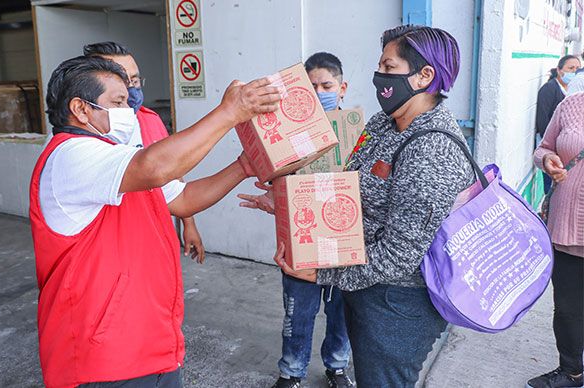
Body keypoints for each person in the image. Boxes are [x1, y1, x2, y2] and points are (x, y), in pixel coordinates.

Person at [240, 25, 473, 387]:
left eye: (389, 67)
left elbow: (399, 255)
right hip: (365, 289)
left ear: (424, 75)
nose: (380, 76)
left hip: (398, 306)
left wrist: (323, 275)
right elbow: (346, 188)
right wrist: (287, 203)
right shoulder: (384, 124)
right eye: (380, 66)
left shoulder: (431, 149)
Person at [30, 55, 280, 387]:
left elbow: (185, 198)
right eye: (117, 102)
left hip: (151, 343)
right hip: (103, 358)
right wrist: (231, 112)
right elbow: (157, 167)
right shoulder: (70, 156)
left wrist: (243, 167)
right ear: (81, 108)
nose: (129, 109)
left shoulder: (116, 159)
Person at [260, 52, 355, 388]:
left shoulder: (359, 132)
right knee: (298, 313)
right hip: (303, 242)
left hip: (345, 241)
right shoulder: (289, 135)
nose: (319, 91)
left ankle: (337, 366)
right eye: (311, 86)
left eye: (326, 85)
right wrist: (274, 196)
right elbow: (277, 177)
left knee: (342, 314)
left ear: (342, 88)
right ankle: (291, 371)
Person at [83, 41, 205, 263]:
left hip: (157, 240)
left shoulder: (150, 119)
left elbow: (174, 172)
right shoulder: (84, 140)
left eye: (135, 81)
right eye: (121, 81)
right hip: (112, 254)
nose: (130, 90)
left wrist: (189, 224)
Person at [527, 92, 584, 388]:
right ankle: (571, 371)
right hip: (567, 230)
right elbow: (543, 149)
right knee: (568, 308)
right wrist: (548, 160)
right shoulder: (571, 105)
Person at [535, 54, 581, 193]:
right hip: (551, 149)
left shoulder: (571, 92)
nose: (574, 72)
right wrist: (555, 145)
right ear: (560, 70)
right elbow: (542, 121)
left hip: (564, 155)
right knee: (551, 187)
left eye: (577, 69)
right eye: (570, 68)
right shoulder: (549, 89)